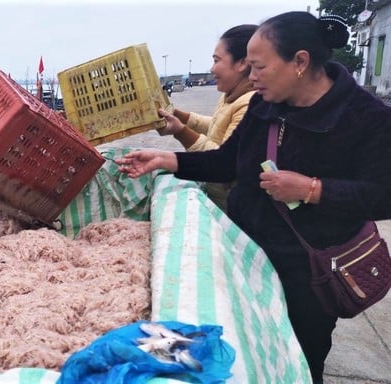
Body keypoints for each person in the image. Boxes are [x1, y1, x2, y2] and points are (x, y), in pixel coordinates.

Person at [116, 12, 391, 383]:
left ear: (300, 62)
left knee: (301, 358)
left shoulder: (368, 117)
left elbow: (382, 195)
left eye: (259, 66)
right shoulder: (265, 105)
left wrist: (313, 190)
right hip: (249, 255)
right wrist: (166, 159)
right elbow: (229, 161)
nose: (251, 75)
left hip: (308, 271)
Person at [156, 24, 257, 211]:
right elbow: (216, 125)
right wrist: (179, 115)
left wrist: (181, 132)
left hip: (231, 209)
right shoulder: (230, 95)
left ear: (242, 63)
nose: (211, 69)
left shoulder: (250, 103)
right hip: (217, 196)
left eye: (216, 60)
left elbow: (222, 160)